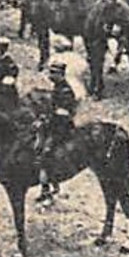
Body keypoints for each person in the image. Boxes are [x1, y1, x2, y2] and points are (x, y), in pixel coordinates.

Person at [37, 61, 78, 202]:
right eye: (50, 72)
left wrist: (47, 120)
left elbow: (63, 113)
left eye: (54, 73)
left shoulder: (65, 91)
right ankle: (50, 186)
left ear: (61, 74)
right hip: (54, 124)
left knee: (46, 154)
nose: (50, 75)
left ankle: (47, 190)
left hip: (61, 127)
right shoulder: (57, 88)